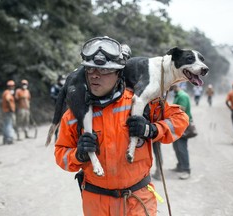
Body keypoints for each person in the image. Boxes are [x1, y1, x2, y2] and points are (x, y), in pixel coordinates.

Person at [54, 36, 189, 215]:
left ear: (118, 73)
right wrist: (78, 154)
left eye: (103, 70)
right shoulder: (75, 114)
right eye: (90, 69)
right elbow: (61, 154)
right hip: (96, 204)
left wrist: (151, 129)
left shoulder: (142, 103)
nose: (95, 75)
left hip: (138, 201)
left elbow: (180, 119)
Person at [171, 84, 192, 180]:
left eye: (172, 87)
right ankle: (180, 165)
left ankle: (186, 170)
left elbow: (182, 108)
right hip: (177, 125)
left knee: (182, 147)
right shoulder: (177, 95)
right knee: (176, 147)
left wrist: (168, 107)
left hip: (182, 125)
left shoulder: (182, 96)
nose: (171, 89)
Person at [1, 80, 16, 144]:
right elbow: (8, 100)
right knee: (9, 125)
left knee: (6, 124)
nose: (12, 87)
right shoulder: (8, 93)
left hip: (5, 111)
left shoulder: (5, 92)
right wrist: (11, 109)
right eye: (12, 86)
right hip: (9, 111)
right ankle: (10, 138)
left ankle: (5, 138)